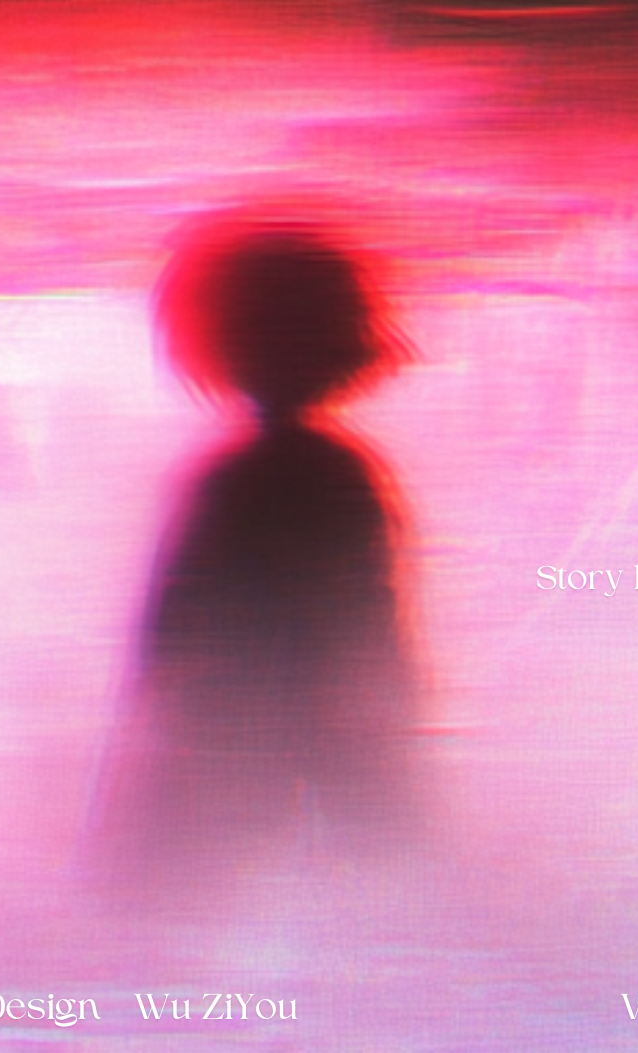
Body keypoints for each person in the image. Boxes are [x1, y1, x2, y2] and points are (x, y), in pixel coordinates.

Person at [102, 214, 415, 882]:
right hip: (312, 721)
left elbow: (169, 629)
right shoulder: (339, 474)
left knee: (218, 881)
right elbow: (374, 617)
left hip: (233, 726)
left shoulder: (236, 480)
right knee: (355, 878)